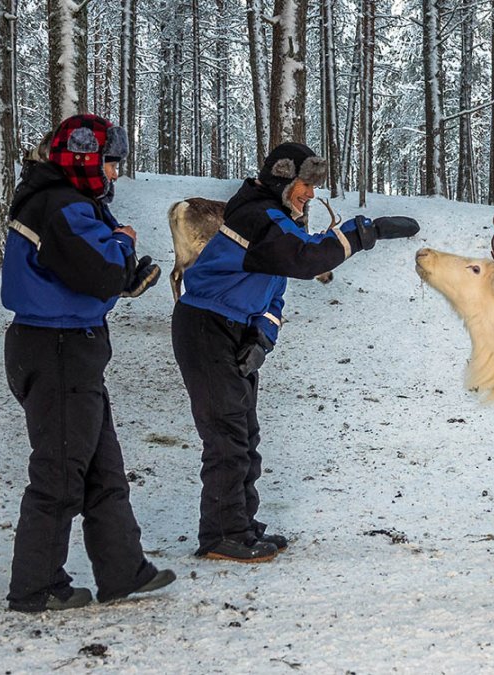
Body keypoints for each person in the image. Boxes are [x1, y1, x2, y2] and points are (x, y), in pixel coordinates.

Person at [172, 141, 419, 562]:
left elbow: (276, 288)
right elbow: (305, 260)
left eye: (314, 186)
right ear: (283, 178)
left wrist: (262, 336)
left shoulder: (276, 219)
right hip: (205, 327)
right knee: (227, 436)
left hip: (234, 328)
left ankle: (240, 523)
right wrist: (364, 233)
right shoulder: (258, 216)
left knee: (244, 434)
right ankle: (223, 534)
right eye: (306, 184)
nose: (311, 194)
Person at [1, 114, 174, 612]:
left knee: (103, 467)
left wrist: (122, 278)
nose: (115, 173)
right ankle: (36, 586)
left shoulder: (58, 201)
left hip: (66, 346)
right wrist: (123, 243)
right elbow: (99, 272)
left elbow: (83, 275)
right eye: (110, 163)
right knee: (59, 472)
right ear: (85, 160)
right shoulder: (63, 206)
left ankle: (123, 571)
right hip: (57, 348)